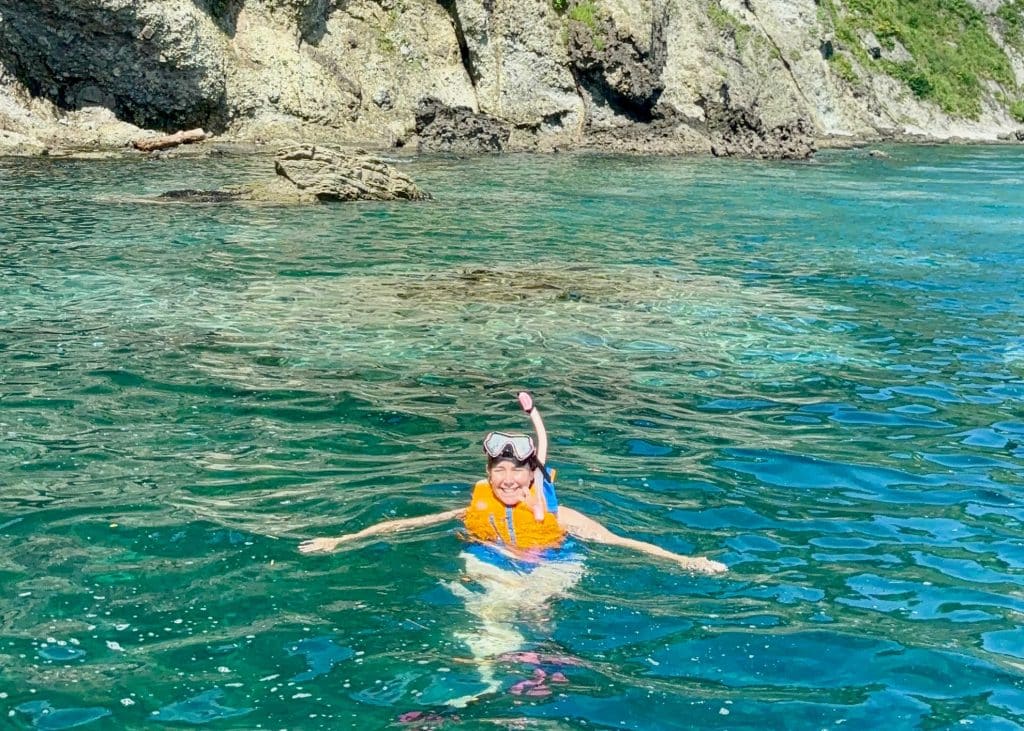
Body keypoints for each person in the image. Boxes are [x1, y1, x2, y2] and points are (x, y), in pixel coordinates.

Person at [299, 393, 726, 706]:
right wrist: (342, 540)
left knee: (534, 602)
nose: (506, 478)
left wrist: (684, 560)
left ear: (531, 477)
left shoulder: (561, 516)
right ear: (488, 474)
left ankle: (535, 661)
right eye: (498, 470)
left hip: (551, 561)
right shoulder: (475, 507)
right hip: (493, 556)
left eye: (516, 470)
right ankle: (484, 684)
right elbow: (407, 523)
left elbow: (618, 541)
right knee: (490, 611)